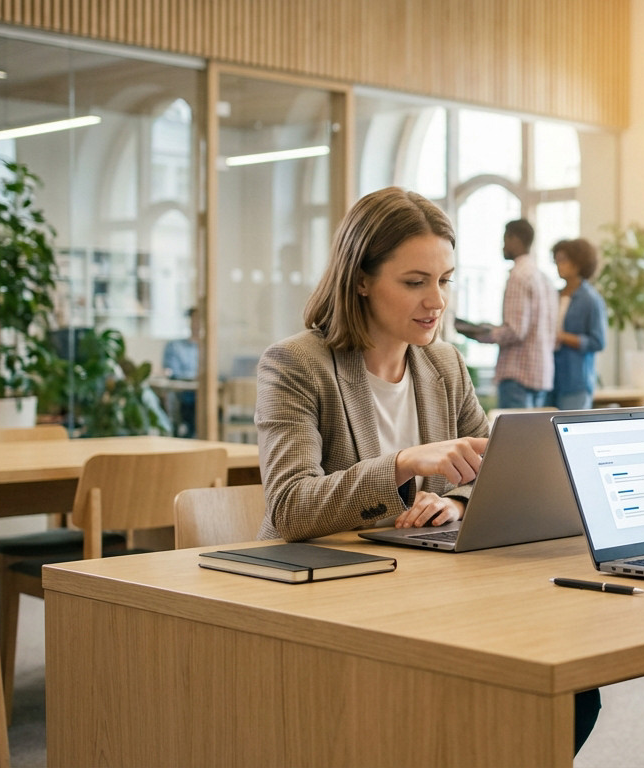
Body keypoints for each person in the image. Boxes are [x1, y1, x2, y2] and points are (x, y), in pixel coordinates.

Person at [253, 188, 600, 752]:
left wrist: (457, 502)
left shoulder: (443, 362)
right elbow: (290, 506)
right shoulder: (296, 364)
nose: (435, 300)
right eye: (415, 282)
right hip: (331, 595)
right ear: (361, 279)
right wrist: (401, 464)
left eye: (445, 279)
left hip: (429, 588)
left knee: (572, 681)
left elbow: (493, 467)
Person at [473, 218, 558, 408]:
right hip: (541, 374)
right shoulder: (543, 278)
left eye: (505, 239)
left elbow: (515, 330)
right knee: (534, 437)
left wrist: (482, 334)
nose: (503, 245)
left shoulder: (518, 275)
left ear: (515, 239)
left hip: (518, 375)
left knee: (515, 438)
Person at [548, 238, 608, 410]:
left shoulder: (590, 298)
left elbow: (598, 341)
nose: (558, 265)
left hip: (576, 380)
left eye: (563, 260)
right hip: (552, 377)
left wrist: (563, 337)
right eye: (556, 260)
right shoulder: (555, 294)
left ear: (578, 263)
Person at [162, 307, 201, 437]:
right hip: (186, 397)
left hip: (209, 398)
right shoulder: (176, 347)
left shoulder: (212, 349)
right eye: (195, 319)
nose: (198, 323)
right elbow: (174, 375)